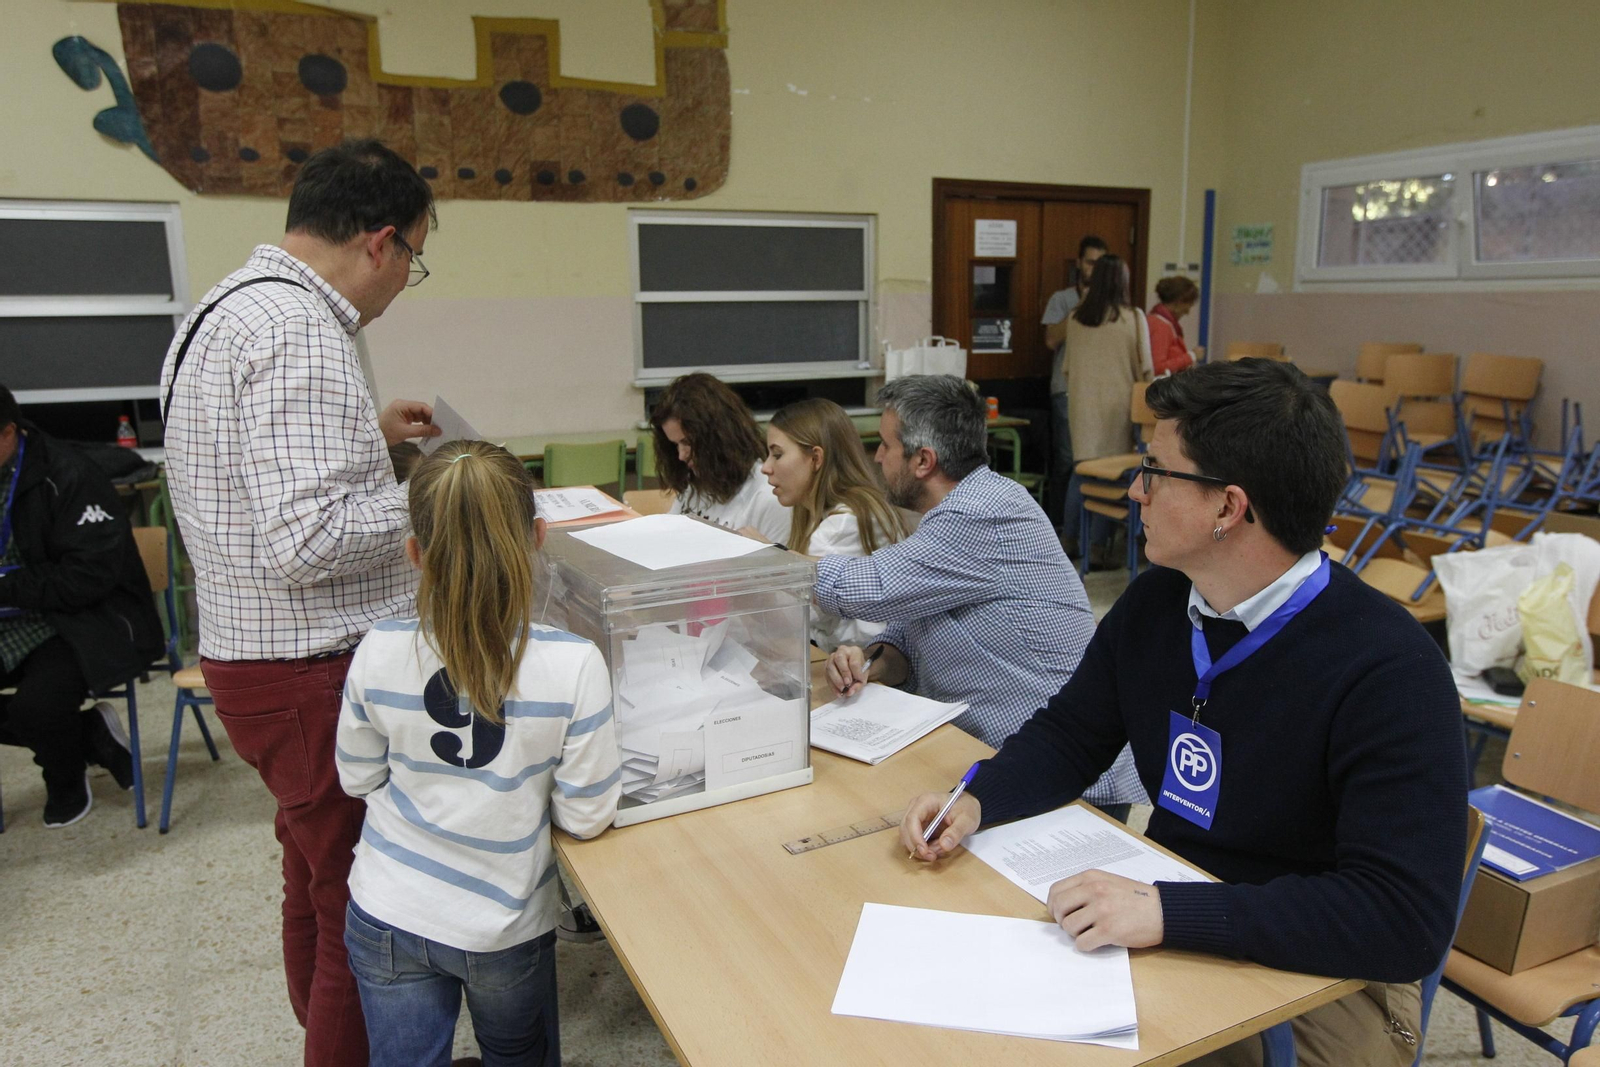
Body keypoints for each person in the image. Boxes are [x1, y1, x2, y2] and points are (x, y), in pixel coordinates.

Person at [899, 359, 1467, 1067]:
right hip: (1170, 909)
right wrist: (978, 798)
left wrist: (1170, 911)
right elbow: (1073, 734)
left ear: (1228, 507)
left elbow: (1398, 918)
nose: (1135, 489)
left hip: (1325, 977)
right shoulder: (1159, 603)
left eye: (1156, 470)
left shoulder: (1390, 668)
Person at [159, 139, 441, 1067]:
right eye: (416, 260)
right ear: (383, 242)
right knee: (363, 905)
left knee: (314, 876)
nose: (406, 282)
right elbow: (310, 538)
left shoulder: (223, 309)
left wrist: (371, 432)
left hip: (252, 659)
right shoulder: (303, 331)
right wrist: (442, 495)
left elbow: (257, 481)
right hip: (311, 669)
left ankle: (324, 1040)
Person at [336, 441, 621, 1067]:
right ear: (539, 537)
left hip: (387, 908)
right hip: (504, 925)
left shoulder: (377, 649)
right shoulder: (574, 665)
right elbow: (586, 817)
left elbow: (357, 779)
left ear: (414, 554)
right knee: (519, 1055)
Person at [817, 375, 1143, 817]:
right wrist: (873, 661)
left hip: (1071, 781)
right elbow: (910, 629)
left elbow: (867, 588)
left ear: (923, 461)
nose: (877, 457)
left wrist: (768, 563)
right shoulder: (956, 512)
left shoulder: (981, 513)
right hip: (1005, 764)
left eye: (887, 445)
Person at [0, 386, 153, 826]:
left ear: (9, 431)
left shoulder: (68, 474)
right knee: (39, 716)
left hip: (78, 619)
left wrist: (7, 588)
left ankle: (64, 776)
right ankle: (88, 736)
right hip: (11, 616)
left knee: (38, 709)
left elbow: (88, 577)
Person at [760, 398, 908, 650]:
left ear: (816, 458)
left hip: (867, 667)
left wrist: (761, 557)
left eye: (778, 454)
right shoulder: (823, 511)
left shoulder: (843, 524)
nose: (765, 467)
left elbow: (790, 620)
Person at [1063, 253, 1153, 565]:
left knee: (1082, 473)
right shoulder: (1132, 317)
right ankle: (1097, 548)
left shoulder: (1075, 318)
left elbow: (1067, 369)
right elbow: (1146, 371)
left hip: (1081, 405)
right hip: (1117, 407)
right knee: (1112, 476)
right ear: (1122, 283)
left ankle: (1070, 539)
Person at [649, 373, 791, 544]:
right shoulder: (697, 481)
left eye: (687, 442)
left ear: (718, 438)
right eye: (675, 445)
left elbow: (779, 567)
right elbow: (666, 540)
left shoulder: (768, 496)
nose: (681, 455)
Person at [1041, 235, 1108, 537]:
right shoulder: (1063, 299)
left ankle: (1091, 534)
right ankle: (1058, 528)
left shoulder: (1114, 305)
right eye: (1091, 262)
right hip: (1065, 388)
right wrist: (1083, 305)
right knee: (1067, 459)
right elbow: (1052, 339)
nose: (1095, 268)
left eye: (1100, 264)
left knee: (1098, 461)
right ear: (1080, 263)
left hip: (1099, 393)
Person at [1149, 275, 1201, 376]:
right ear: (1179, 302)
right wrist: (1191, 356)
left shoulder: (1160, 322)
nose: (1187, 312)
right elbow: (1158, 367)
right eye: (1188, 306)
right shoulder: (1160, 326)